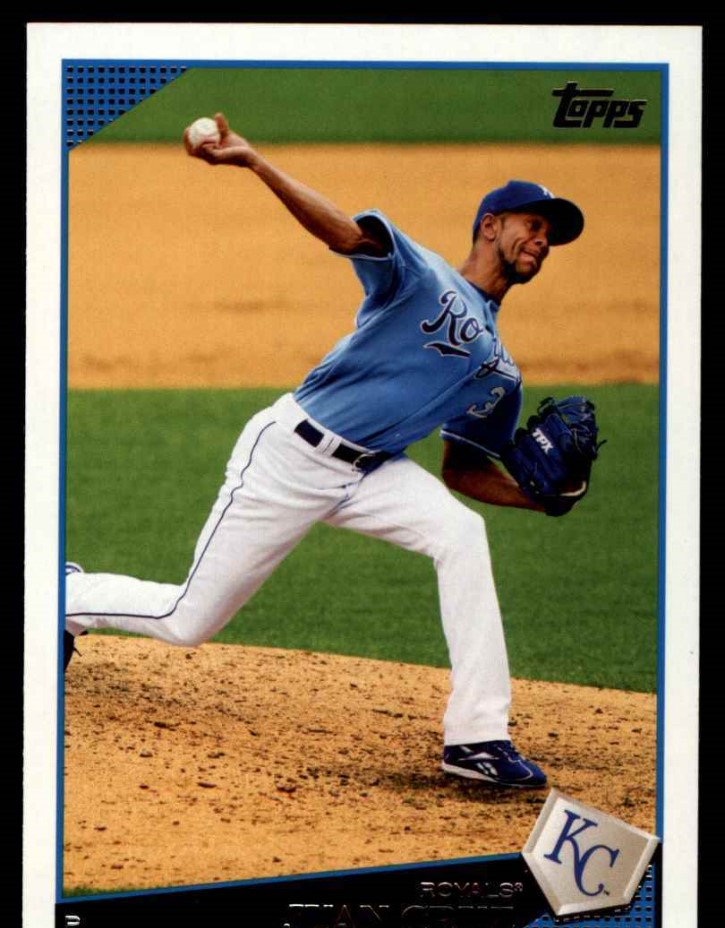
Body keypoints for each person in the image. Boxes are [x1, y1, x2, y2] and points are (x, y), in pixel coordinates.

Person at [65, 113, 586, 789]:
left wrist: (540, 501)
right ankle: (64, 594)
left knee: (461, 534)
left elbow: (462, 469)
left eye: (550, 236)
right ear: (490, 225)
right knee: (188, 620)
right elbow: (343, 232)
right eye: (532, 225)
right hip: (290, 456)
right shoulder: (422, 274)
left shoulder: (502, 375)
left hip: (375, 473)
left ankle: (477, 737)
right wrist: (254, 161)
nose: (541, 241)